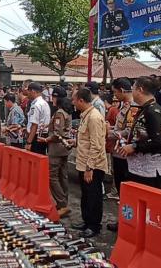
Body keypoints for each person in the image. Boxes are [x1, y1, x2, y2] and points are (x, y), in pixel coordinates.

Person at [117, 76, 161, 188]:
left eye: (133, 88)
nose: (131, 92)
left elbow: (159, 141)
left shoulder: (153, 111)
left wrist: (134, 146)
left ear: (140, 90)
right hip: (139, 168)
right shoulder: (145, 109)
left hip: (151, 171)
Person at [71, 87, 108, 238]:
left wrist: (89, 167)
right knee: (86, 195)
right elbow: (86, 140)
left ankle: (94, 225)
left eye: (74, 99)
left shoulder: (93, 117)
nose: (72, 102)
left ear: (81, 100)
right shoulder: (85, 116)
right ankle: (86, 221)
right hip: (83, 163)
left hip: (92, 165)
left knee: (93, 196)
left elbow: (97, 145)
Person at [105, 77, 138, 232]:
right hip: (118, 152)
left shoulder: (133, 107)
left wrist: (111, 133)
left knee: (125, 190)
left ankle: (127, 222)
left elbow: (129, 132)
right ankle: (123, 220)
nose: (114, 95)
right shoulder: (124, 106)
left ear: (123, 91)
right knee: (121, 191)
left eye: (115, 92)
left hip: (125, 154)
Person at [37, 86, 74, 217]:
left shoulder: (59, 113)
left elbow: (57, 134)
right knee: (63, 176)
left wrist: (46, 139)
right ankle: (64, 203)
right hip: (64, 148)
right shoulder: (67, 111)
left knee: (52, 176)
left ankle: (62, 203)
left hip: (56, 148)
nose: (51, 99)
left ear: (57, 97)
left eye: (53, 96)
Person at [25, 82, 50, 154]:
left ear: (33, 91)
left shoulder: (36, 105)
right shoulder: (45, 103)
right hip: (43, 135)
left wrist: (29, 142)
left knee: (34, 160)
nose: (27, 93)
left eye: (28, 91)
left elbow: (34, 125)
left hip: (35, 137)